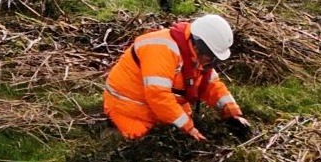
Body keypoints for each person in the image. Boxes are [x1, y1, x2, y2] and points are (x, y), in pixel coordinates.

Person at [102, 12, 252, 143]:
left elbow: (211, 85)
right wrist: (188, 128)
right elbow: (157, 94)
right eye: (210, 56)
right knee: (143, 142)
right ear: (199, 46)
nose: (211, 61)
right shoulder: (161, 49)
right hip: (129, 107)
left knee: (176, 130)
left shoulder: (195, 55)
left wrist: (233, 114)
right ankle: (111, 127)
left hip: (160, 105)